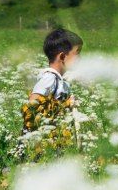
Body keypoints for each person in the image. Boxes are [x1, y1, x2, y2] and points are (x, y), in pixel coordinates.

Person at [19, 28, 83, 157]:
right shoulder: (49, 78)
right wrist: (65, 104)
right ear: (63, 57)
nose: (80, 58)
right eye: (77, 53)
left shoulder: (61, 81)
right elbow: (32, 105)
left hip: (55, 140)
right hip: (42, 144)